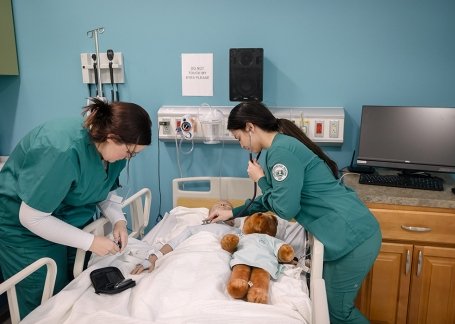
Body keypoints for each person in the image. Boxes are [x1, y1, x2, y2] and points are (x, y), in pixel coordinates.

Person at [207, 101, 382, 323]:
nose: (240, 145)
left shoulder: (281, 152)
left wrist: (260, 179)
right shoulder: (278, 149)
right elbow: (273, 198)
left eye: (238, 137)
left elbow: (285, 208)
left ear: (250, 127)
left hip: (353, 235)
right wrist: (233, 212)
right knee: (328, 309)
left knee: (339, 314)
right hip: (343, 231)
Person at [0, 98, 152, 319]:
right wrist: (90, 242)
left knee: (72, 290)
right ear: (112, 138)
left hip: (67, 221)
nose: (129, 159)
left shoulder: (111, 154)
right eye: (130, 153)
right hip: (25, 230)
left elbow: (104, 190)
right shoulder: (60, 149)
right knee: (43, 301)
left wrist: (119, 220)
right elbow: (32, 217)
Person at [130, 201, 237, 274]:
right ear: (209, 216)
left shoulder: (236, 232)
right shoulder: (194, 228)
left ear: (232, 218)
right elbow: (173, 243)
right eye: (219, 204)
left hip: (216, 262)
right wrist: (152, 259)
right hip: (188, 257)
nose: (223, 204)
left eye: (227, 206)